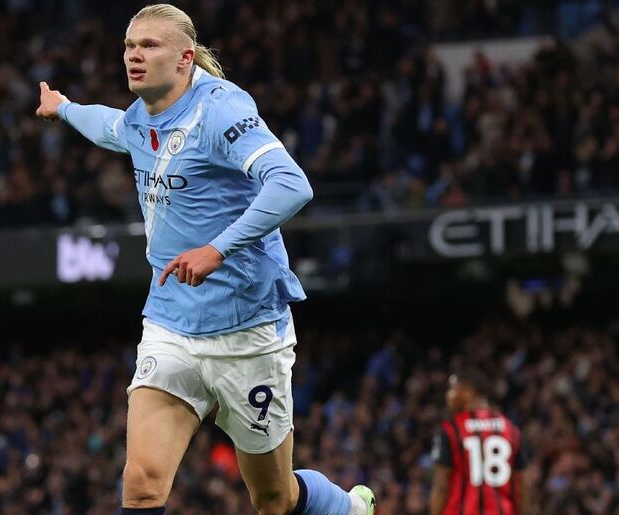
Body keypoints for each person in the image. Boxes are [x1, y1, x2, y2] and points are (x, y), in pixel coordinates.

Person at [36, 4, 375, 515]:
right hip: (171, 324)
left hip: (248, 330)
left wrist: (219, 249)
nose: (133, 55)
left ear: (184, 59)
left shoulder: (220, 110)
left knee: (274, 500)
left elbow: (291, 185)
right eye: (129, 45)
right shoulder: (140, 118)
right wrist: (63, 107)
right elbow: (108, 126)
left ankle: (345, 508)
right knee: (142, 482)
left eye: (148, 45)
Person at [430, 368, 527, 515]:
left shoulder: (451, 430)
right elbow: (522, 486)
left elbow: (441, 485)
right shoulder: (511, 430)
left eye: (452, 390)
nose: (448, 396)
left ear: (468, 392)